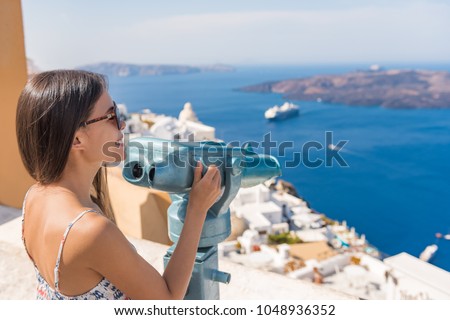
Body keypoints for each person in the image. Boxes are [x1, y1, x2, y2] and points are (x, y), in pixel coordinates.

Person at [16, 70, 222, 300]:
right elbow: (168, 300)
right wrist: (197, 209)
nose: (122, 124)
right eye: (111, 116)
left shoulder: (35, 196)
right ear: (77, 139)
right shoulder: (90, 231)